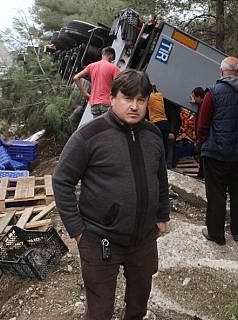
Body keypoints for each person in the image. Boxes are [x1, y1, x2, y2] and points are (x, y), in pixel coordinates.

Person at [53, 69, 170, 320]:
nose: (134, 106)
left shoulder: (153, 135)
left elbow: (160, 176)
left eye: (141, 100)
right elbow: (62, 180)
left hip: (143, 239)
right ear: (112, 97)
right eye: (127, 98)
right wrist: (77, 230)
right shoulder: (89, 135)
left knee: (138, 305)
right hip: (99, 239)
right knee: (99, 311)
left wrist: (162, 215)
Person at [196, 56, 238, 245]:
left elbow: (202, 124)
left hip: (217, 152)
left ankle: (216, 234)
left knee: (216, 194)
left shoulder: (213, 92)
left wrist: (202, 144)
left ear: (221, 72)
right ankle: (237, 232)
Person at [72, 47, 120, 118]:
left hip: (94, 104)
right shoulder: (114, 68)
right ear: (111, 56)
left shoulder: (91, 66)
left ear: (102, 55)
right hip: (107, 103)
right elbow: (119, 86)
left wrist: (85, 94)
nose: (111, 61)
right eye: (112, 60)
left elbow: (76, 78)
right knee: (108, 127)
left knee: (98, 127)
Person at [147, 84, 169, 163]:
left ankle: (157, 161)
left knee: (156, 144)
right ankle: (164, 162)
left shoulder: (149, 97)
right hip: (165, 122)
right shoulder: (160, 96)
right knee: (164, 144)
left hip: (156, 122)